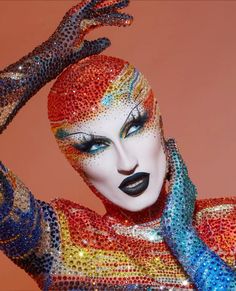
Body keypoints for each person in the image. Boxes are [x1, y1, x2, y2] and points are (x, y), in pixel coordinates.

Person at [0, 0, 235, 290]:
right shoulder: (61, 246)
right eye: (94, 147)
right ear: (76, 164)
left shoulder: (228, 223)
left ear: (159, 126)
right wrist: (44, 59)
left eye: (134, 127)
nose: (126, 163)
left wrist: (185, 239)